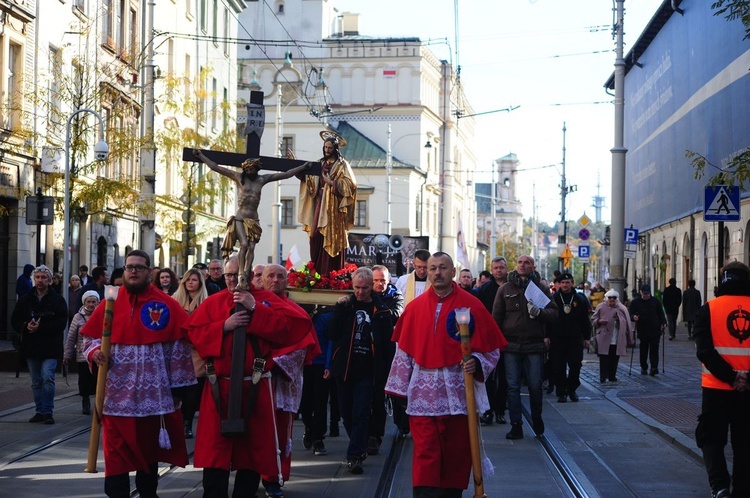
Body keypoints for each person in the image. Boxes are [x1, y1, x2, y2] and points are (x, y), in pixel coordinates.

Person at [186, 256, 313, 498]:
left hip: (254, 387)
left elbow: (291, 327)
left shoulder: (266, 300)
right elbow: (193, 333)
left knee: (252, 454)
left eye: (239, 274)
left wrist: (254, 308)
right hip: (218, 388)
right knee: (215, 453)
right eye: (229, 275)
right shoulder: (213, 303)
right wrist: (224, 326)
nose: (234, 280)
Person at [385, 252, 507, 497]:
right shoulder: (415, 308)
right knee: (426, 449)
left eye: (442, 268)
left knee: (455, 449)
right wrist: (398, 389)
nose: (437, 273)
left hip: (458, 392)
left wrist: (477, 361)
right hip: (423, 392)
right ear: (427, 272)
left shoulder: (472, 304)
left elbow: (492, 348)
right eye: (432, 268)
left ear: (453, 272)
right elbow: (404, 351)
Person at [82, 250, 195, 498]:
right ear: (124, 271)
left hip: (152, 400)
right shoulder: (110, 303)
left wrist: (178, 390)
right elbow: (90, 340)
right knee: (116, 455)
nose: (133, 271)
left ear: (149, 272)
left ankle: (148, 493)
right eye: (129, 267)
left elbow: (178, 348)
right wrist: (94, 354)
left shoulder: (166, 304)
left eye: (139, 267)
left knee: (148, 454)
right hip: (114, 399)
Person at [193, 148, 312, 285]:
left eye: (253, 170)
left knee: (251, 247)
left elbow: (285, 175)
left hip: (253, 219)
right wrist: (201, 156)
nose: (250, 172)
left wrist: (303, 167)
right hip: (240, 217)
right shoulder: (238, 177)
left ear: (256, 169)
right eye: (248, 170)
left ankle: (247, 270)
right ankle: (241, 274)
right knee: (243, 244)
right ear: (245, 169)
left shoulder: (262, 180)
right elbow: (216, 167)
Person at [259, 264, 319, 498]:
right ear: (262, 280)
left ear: (287, 281)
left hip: (281, 382)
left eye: (280, 276)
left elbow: (302, 348)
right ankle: (253, 473)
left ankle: (274, 478)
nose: (275, 280)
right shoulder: (250, 305)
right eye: (270, 276)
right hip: (253, 382)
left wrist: (270, 364)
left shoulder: (296, 311)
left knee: (279, 433)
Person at [327, 267, 394, 474]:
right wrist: (338, 310)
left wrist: (386, 372)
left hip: (367, 370)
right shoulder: (345, 306)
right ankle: (360, 442)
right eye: (357, 288)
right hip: (344, 369)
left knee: (361, 414)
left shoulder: (381, 311)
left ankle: (354, 456)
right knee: (346, 413)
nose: (360, 292)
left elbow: (387, 345)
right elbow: (331, 333)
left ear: (371, 286)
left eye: (365, 288)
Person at [694, 262, 750, 498]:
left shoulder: (709, 308)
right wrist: (744, 379)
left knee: (711, 439)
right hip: (748, 390)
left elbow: (704, 352)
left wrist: (729, 376)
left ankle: (719, 486)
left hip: (716, 388)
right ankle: (743, 489)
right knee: (745, 442)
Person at [492, 255, 557, 439]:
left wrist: (540, 312)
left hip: (534, 344)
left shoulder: (541, 288)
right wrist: (496, 343)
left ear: (533, 266)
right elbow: (496, 318)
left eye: (526, 262)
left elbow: (554, 313)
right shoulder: (505, 289)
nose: (522, 265)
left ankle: (536, 417)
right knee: (512, 387)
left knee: (535, 385)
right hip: (511, 345)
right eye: (519, 262)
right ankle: (516, 424)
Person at [11, 265, 67, 424]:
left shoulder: (57, 300)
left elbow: (61, 323)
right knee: (36, 381)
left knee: (47, 377)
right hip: (31, 347)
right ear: (34, 279)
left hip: (50, 347)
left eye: (43, 277)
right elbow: (14, 320)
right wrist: (25, 326)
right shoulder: (25, 299)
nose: (40, 280)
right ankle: (40, 411)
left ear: (49, 280)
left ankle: (48, 411)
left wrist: (41, 327)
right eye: (38, 277)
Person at [294, 130, 357, 274]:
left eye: (330, 148)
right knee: (315, 236)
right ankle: (317, 271)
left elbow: (351, 184)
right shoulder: (319, 163)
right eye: (325, 147)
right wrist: (295, 165)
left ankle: (331, 274)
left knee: (331, 239)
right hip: (319, 204)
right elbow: (308, 179)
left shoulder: (342, 165)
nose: (327, 150)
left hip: (333, 209)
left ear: (335, 149)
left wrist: (332, 183)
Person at [368, 264, 403, 453]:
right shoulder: (362, 296)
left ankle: (375, 436)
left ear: (389, 281)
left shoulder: (395, 296)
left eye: (382, 280)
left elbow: (395, 315)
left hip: (384, 353)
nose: (379, 284)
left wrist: (377, 302)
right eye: (375, 280)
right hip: (364, 354)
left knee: (379, 396)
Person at [172, 268, 209, 439]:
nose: (190, 283)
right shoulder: (175, 300)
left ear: (200, 282)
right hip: (178, 349)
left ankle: (187, 422)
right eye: (188, 280)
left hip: (197, 350)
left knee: (194, 388)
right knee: (178, 388)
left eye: (194, 280)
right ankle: (178, 419)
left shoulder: (206, 302)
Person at [474, 256, 509, 425]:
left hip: (508, 337)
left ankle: (501, 410)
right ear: (491, 269)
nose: (498, 271)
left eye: (501, 267)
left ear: (506, 268)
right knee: (487, 376)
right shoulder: (485, 289)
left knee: (504, 376)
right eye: (495, 268)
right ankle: (488, 410)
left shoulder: (513, 287)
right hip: (488, 337)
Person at [549, 272, 592, 402]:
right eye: (562, 283)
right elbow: (548, 319)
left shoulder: (580, 299)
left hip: (575, 338)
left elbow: (585, 319)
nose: (565, 285)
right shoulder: (554, 298)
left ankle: (572, 389)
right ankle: (561, 392)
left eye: (567, 282)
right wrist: (547, 336)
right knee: (558, 367)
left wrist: (586, 338)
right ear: (558, 284)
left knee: (575, 366)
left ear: (572, 283)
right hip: (557, 338)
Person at [64, 290, 100, 415]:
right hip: (82, 355)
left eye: (94, 302)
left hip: (98, 355)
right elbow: (71, 337)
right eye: (88, 302)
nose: (91, 304)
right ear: (84, 303)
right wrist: (67, 355)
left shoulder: (102, 315)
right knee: (84, 380)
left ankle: (98, 403)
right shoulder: (78, 317)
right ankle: (85, 401)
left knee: (98, 381)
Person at [591, 289, 634, 383]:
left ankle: (612, 376)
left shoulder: (621, 308)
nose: (611, 303)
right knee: (603, 357)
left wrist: (630, 338)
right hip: (604, 336)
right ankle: (603, 376)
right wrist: (599, 321)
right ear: (606, 300)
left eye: (613, 301)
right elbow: (593, 319)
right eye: (610, 301)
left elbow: (627, 322)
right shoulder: (601, 306)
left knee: (614, 357)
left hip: (617, 336)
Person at [630, 283, 667, 375]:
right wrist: (633, 317)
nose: (646, 295)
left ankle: (654, 367)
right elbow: (630, 313)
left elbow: (661, 313)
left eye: (648, 293)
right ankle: (644, 366)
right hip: (643, 329)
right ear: (641, 292)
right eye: (644, 293)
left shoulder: (655, 301)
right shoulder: (635, 302)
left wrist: (663, 322)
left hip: (655, 329)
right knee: (644, 349)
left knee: (654, 349)